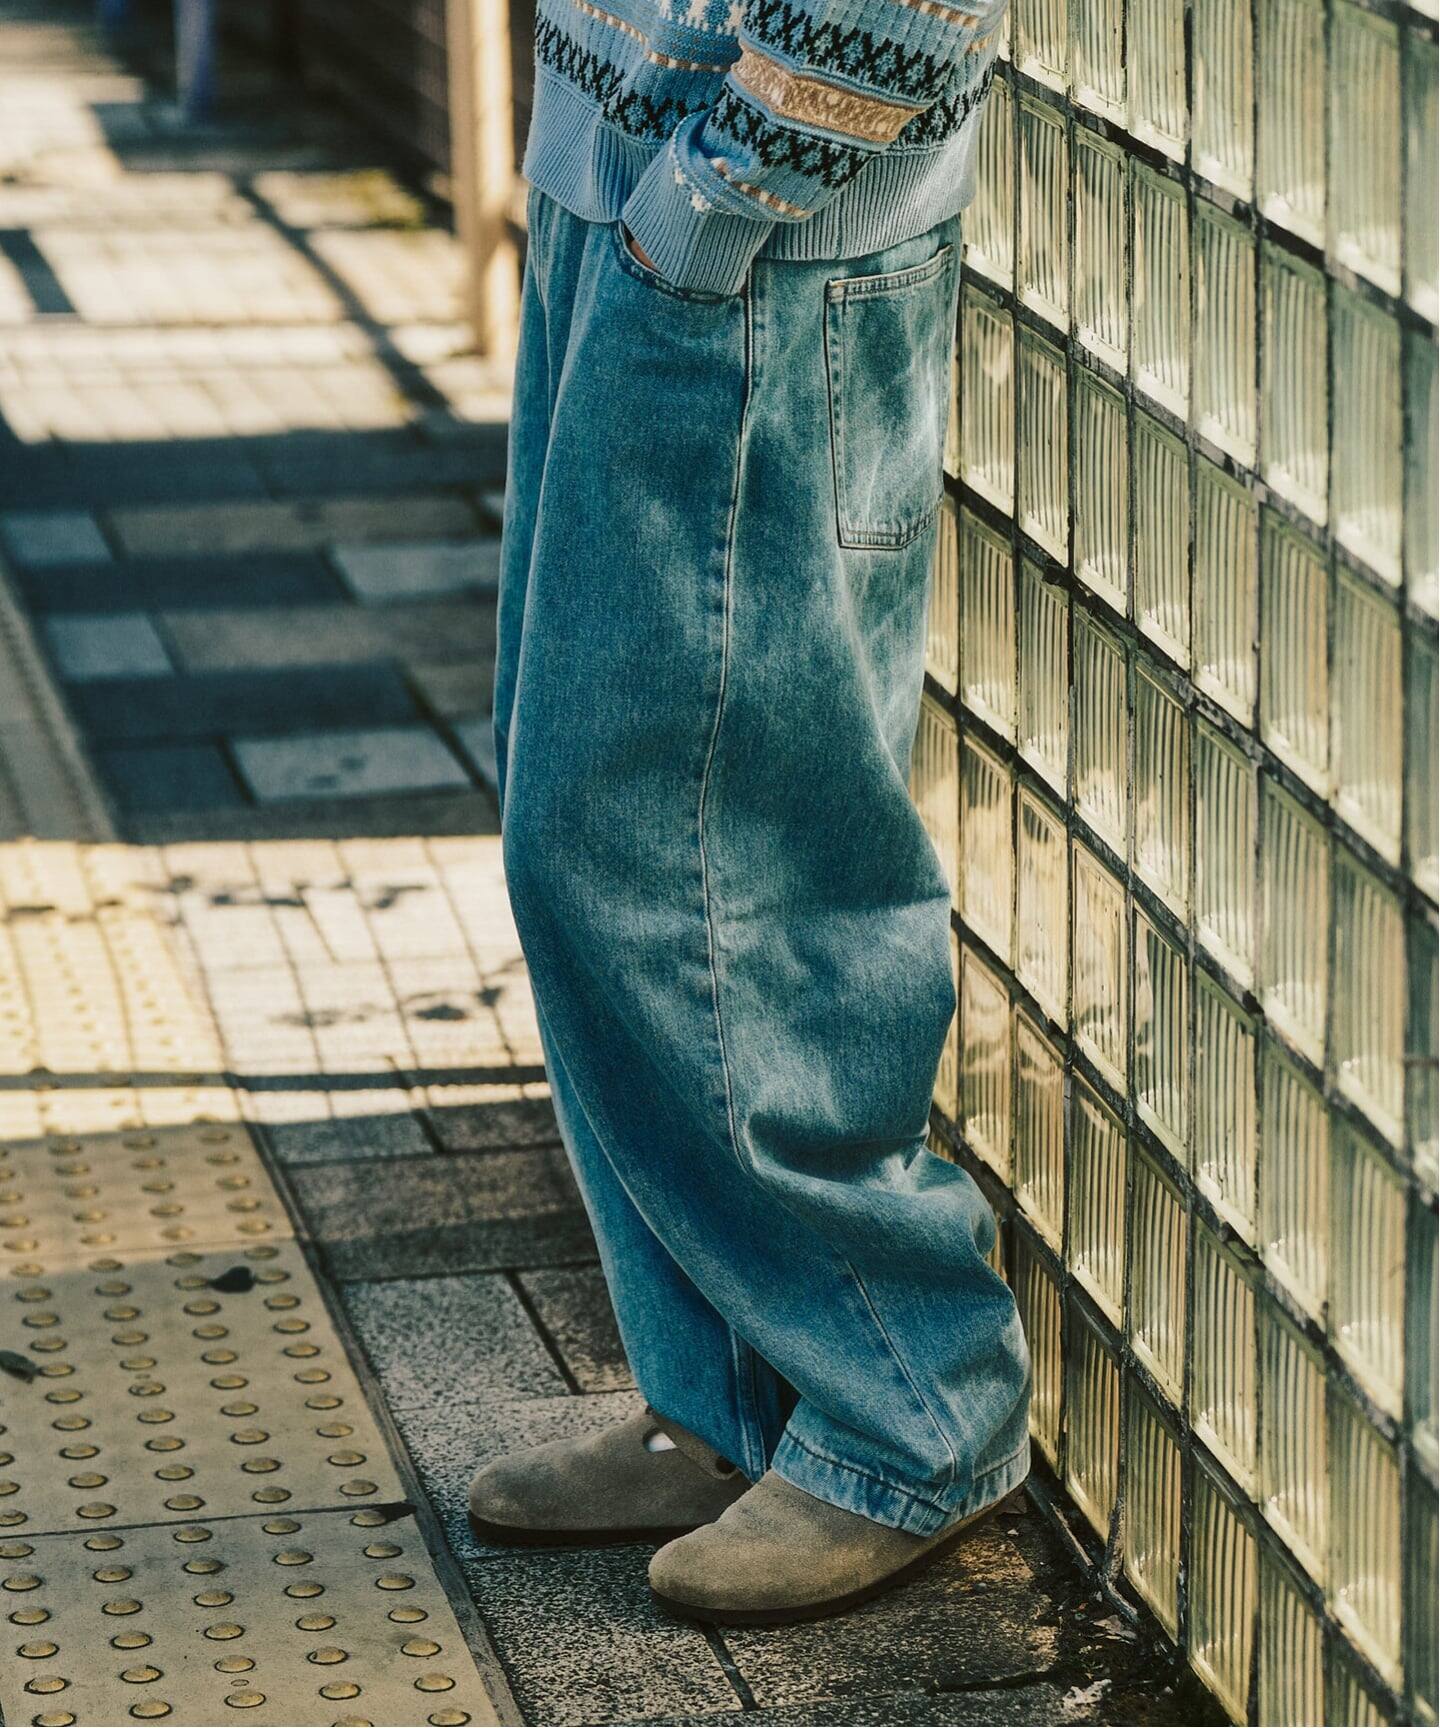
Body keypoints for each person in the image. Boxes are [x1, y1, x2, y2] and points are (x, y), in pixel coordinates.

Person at [472, 0, 1031, 1627]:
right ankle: (732, 1402)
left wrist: (706, 209)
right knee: (594, 822)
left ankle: (908, 1404)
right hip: (635, 210)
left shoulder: (721, 223)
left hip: (752, 250)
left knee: (702, 851)